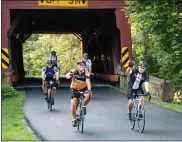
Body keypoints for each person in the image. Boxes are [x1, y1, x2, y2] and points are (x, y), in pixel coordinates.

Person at [65, 58, 92, 127]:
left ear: (84, 66)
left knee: (88, 96)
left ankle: (84, 106)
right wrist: (69, 76)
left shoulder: (86, 72)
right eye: (79, 64)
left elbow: (88, 82)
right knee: (74, 103)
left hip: (83, 88)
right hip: (74, 88)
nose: (81, 65)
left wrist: (88, 90)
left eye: (82, 64)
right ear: (77, 65)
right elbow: (67, 75)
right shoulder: (74, 71)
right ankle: (74, 119)